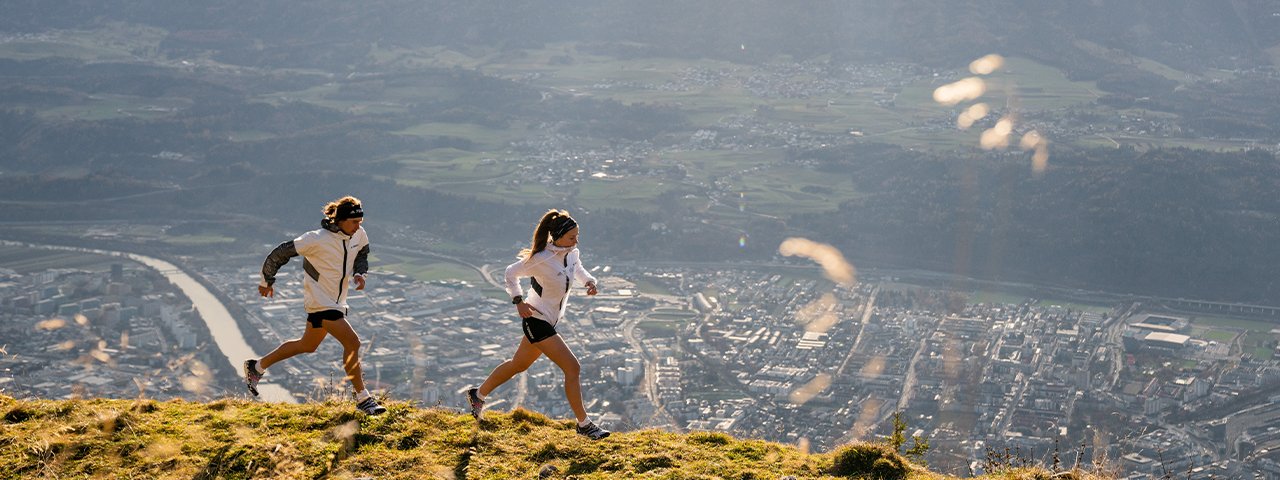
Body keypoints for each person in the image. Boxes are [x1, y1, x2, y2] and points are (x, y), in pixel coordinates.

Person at [467, 209, 609, 440]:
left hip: (551, 320)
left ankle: (478, 394)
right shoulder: (540, 258)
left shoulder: (572, 253)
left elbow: (578, 269)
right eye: (572, 237)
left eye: (577, 236)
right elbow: (510, 273)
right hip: (536, 319)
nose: (576, 240)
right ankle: (584, 425)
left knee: (517, 365)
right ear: (559, 236)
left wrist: (590, 282)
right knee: (573, 368)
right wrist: (518, 301)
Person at [243, 195, 386, 415]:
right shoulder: (316, 239)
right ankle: (363, 398)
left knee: (307, 345)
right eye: (354, 222)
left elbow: (362, 254)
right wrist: (267, 281)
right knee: (353, 343)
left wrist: (359, 273)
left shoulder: (359, 234)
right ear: (340, 221)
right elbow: (281, 252)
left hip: (337, 301)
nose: (359, 226)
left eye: (360, 222)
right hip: (320, 301)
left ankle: (257, 366)